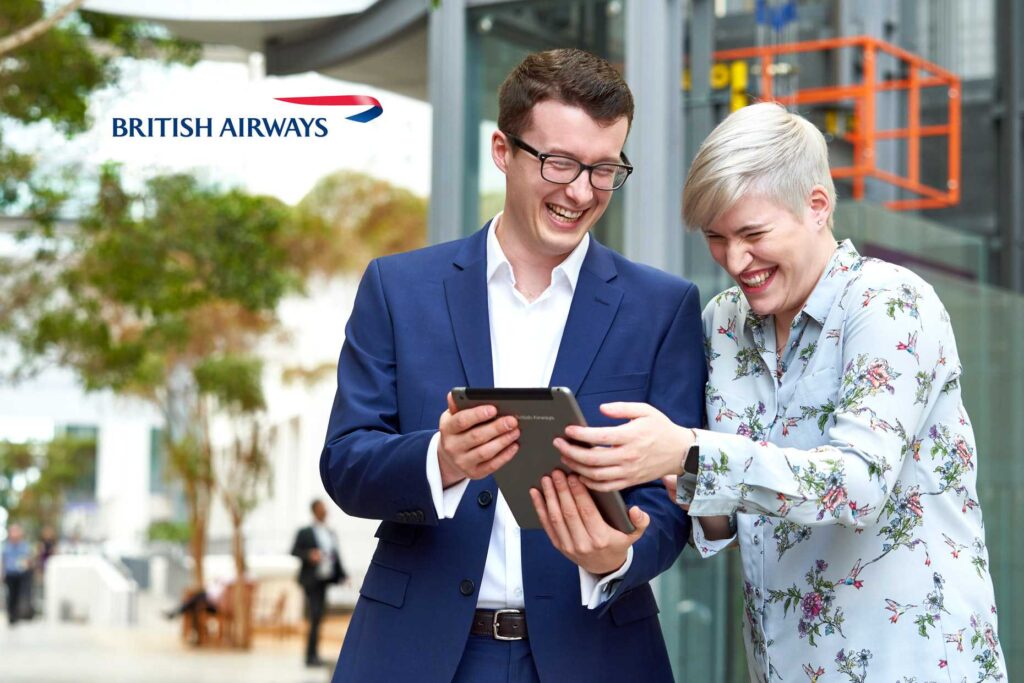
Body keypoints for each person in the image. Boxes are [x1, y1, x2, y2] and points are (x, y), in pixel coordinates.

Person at [552, 101, 1005, 681]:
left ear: (817, 206)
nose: (735, 260)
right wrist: (678, 489)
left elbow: (857, 485)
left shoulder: (890, 303)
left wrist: (690, 452)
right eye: (716, 237)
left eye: (752, 233)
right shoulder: (724, 322)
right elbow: (747, 519)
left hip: (911, 664)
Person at [321, 48, 705, 683]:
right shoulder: (398, 287)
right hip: (415, 654)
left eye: (604, 169)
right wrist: (439, 460)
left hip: (596, 654)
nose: (581, 192)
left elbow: (673, 497)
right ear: (503, 150)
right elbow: (345, 463)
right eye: (559, 163)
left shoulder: (662, 307)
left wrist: (620, 555)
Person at [291, 498, 347, 667]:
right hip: (311, 580)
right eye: (322, 508)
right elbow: (294, 550)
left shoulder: (330, 532)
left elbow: (336, 557)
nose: (325, 511)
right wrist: (310, 555)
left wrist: (343, 576)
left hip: (325, 580)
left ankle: (313, 654)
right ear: (315, 511)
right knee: (315, 614)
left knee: (319, 616)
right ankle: (310, 656)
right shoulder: (305, 532)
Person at [2, 523, 34, 626]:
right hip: (10, 574)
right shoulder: (6, 546)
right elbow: (3, 560)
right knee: (11, 595)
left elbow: (28, 559)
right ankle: (11, 615)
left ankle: (18, 614)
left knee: (20, 595)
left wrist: (27, 563)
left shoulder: (24, 546)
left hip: (21, 574)